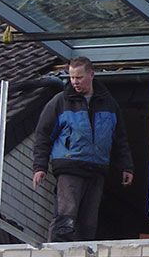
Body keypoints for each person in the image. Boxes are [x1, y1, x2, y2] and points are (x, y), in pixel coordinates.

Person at [32, 56, 134, 242]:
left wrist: (126, 166)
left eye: (79, 77)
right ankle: (55, 256)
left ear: (91, 75)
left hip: (97, 167)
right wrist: (40, 167)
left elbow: (119, 138)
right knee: (66, 216)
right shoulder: (60, 101)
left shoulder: (109, 103)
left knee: (88, 222)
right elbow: (43, 135)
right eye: (72, 77)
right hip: (70, 165)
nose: (75, 82)